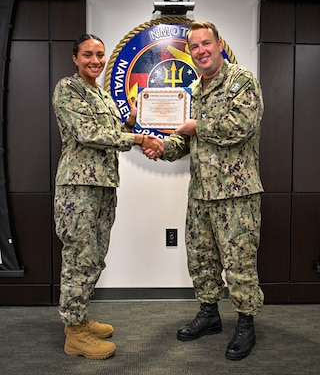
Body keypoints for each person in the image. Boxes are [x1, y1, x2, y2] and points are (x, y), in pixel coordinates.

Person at [145, 21, 264, 360]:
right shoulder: (195, 89)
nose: (200, 51)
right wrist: (161, 147)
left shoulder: (241, 81)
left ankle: (245, 323)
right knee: (201, 258)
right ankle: (209, 314)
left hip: (236, 193)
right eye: (194, 47)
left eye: (205, 43)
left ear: (218, 44)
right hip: (201, 193)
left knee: (239, 263)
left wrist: (197, 126)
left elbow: (240, 126)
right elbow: (185, 139)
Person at [52, 34, 158, 360]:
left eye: (99, 54)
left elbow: (114, 126)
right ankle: (74, 334)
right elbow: (89, 134)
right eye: (88, 55)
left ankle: (81, 318)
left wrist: (133, 115)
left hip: (103, 187)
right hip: (78, 190)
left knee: (95, 257)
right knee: (79, 259)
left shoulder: (102, 94)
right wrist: (138, 137)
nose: (95, 60)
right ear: (75, 58)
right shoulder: (67, 90)